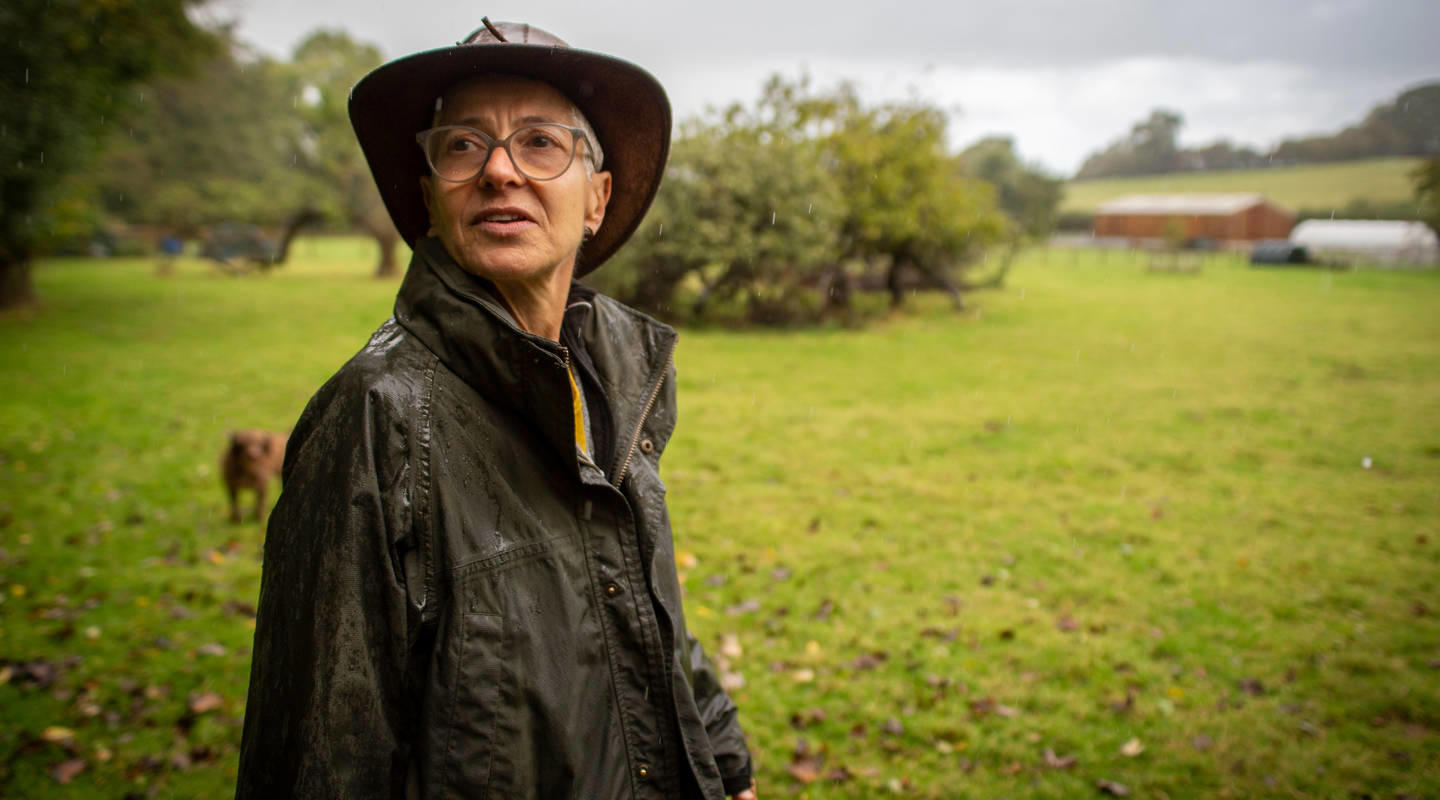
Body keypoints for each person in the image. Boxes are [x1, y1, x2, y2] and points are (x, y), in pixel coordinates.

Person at [235, 19, 757, 800]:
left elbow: (648, 615)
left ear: (596, 197)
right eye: (462, 145)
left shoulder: (618, 378)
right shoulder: (376, 418)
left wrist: (725, 766)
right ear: (429, 200)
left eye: (541, 143)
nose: (499, 172)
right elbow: (319, 760)